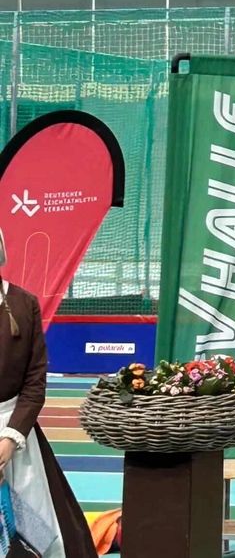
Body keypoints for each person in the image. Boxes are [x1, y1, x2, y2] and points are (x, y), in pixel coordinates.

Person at [0, 228, 97, 558]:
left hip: (17, 438)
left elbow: (34, 384)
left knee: (43, 535)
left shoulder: (23, 304)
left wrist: (9, 441)